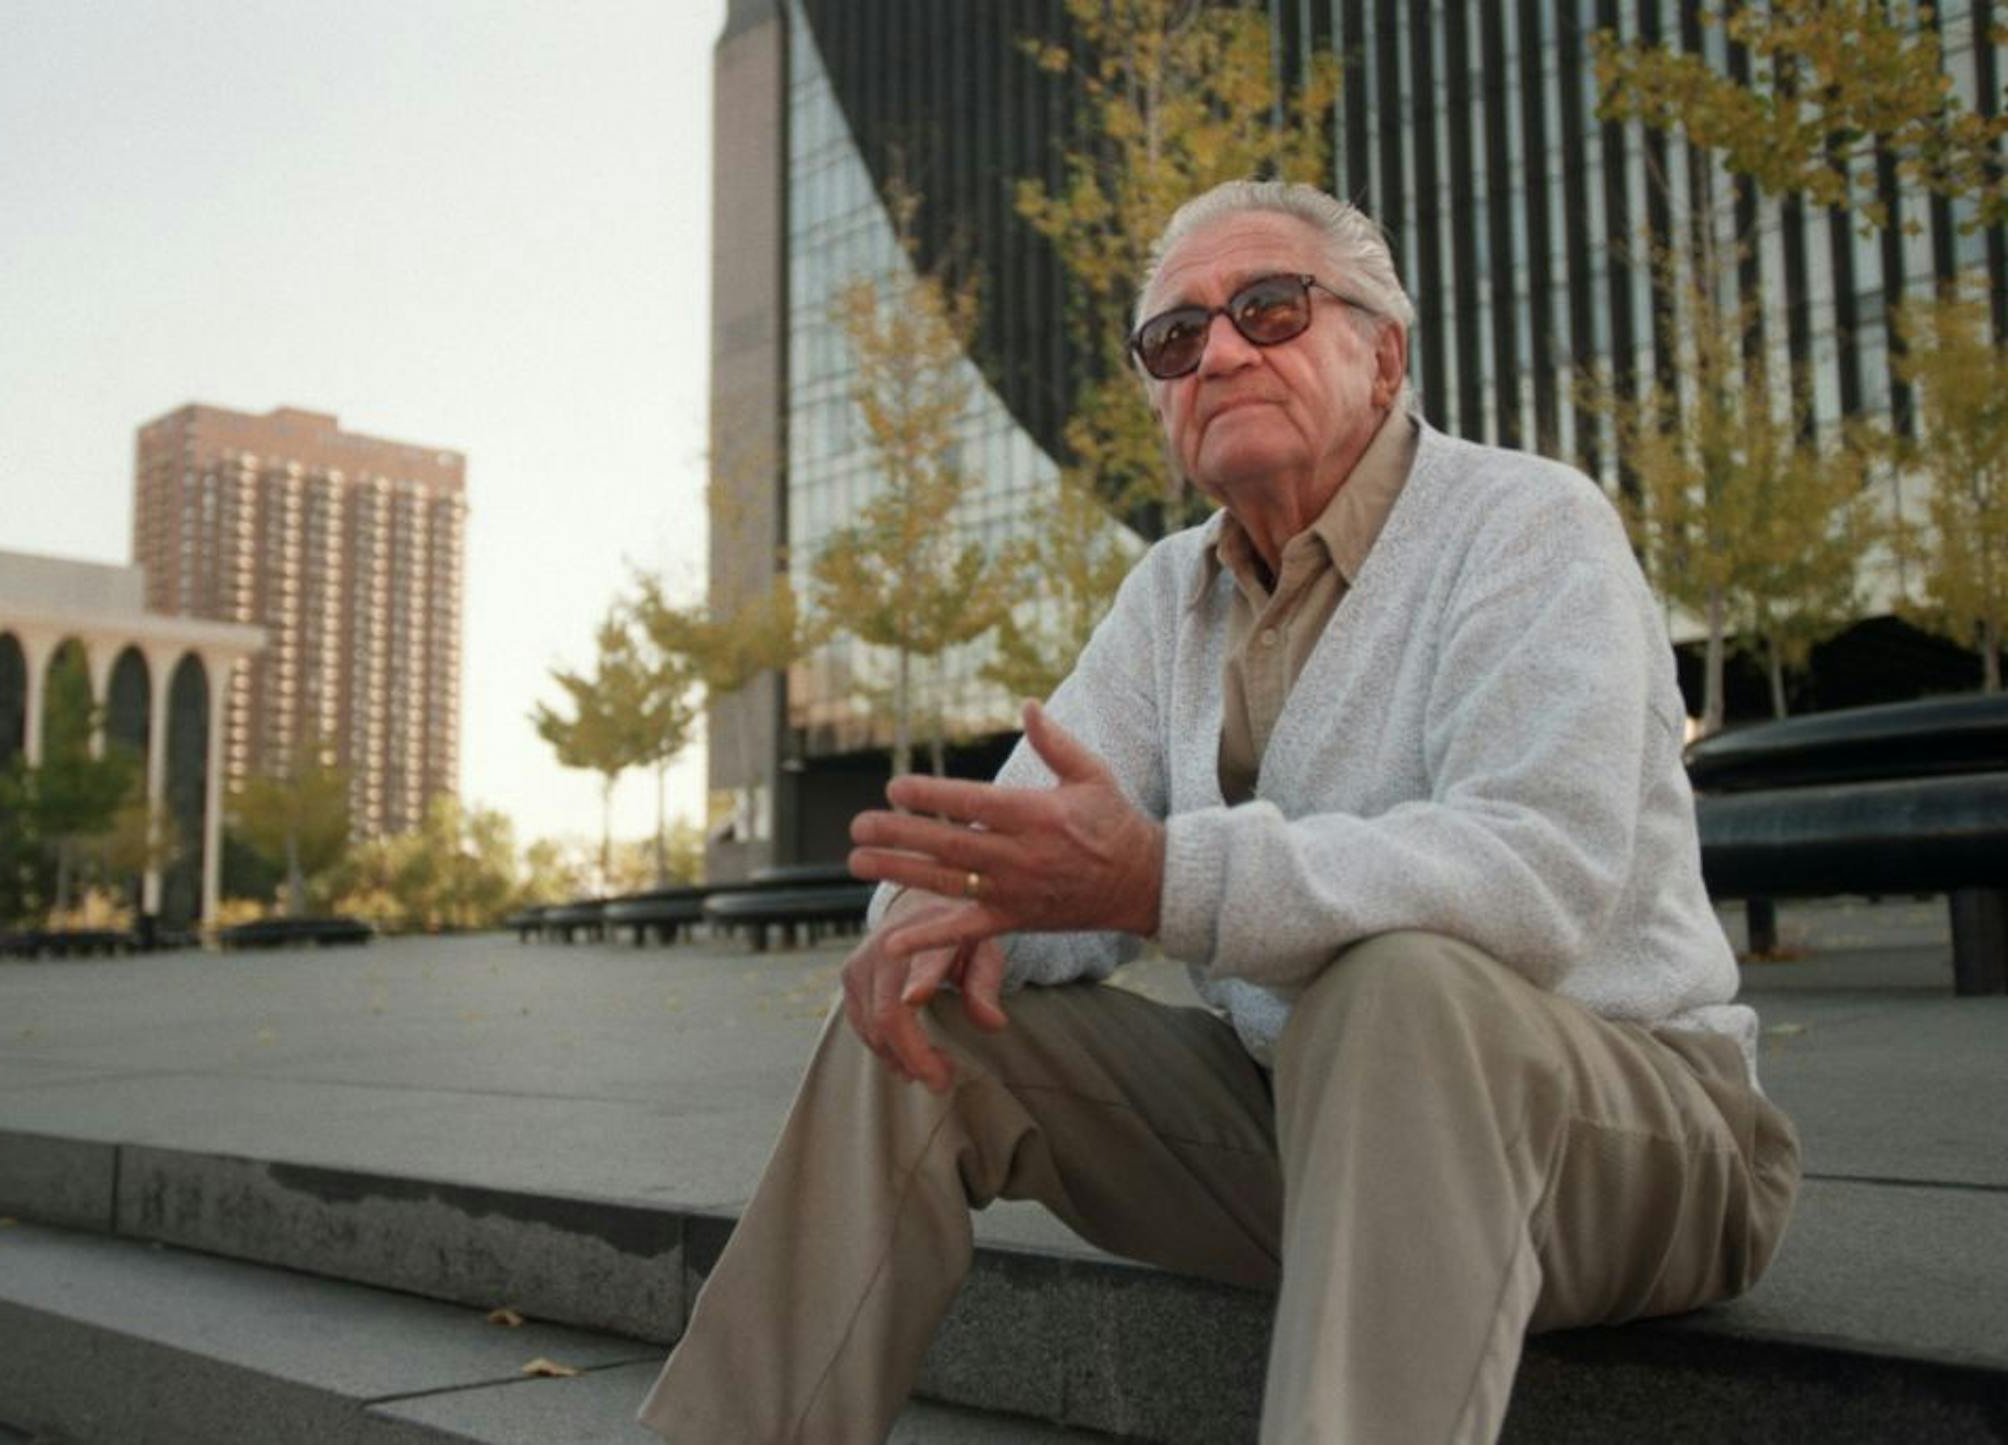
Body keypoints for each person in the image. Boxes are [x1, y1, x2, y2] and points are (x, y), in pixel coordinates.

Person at [638, 179, 1799, 1445]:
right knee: (920, 1011)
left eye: (1270, 306)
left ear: (1383, 353)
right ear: (1161, 399)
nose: (1224, 350)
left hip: (1636, 1144)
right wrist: (957, 902)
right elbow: (1024, 849)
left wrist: (1158, 881)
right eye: (1177, 338)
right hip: (1308, 1133)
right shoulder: (1165, 596)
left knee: (1402, 984)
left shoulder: (1529, 524)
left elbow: (1538, 874)